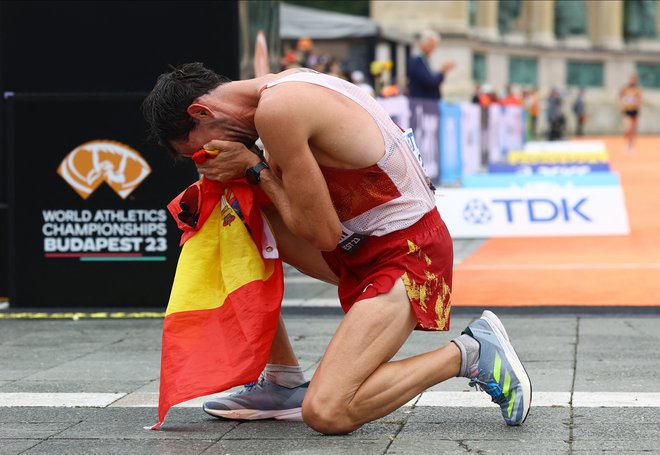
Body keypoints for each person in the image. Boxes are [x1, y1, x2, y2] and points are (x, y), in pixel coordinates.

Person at [142, 63, 532, 434]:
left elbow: (322, 235)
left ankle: (470, 352)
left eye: (200, 148)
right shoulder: (283, 86)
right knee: (232, 210)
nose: (205, 157)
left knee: (328, 411)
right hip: (366, 245)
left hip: (411, 256)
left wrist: (253, 169)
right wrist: (243, 175)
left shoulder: (279, 109)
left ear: (201, 111)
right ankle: (281, 380)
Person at [407, 30, 455, 99]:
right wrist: (443, 71)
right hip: (422, 103)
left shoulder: (426, 61)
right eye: (431, 45)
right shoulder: (417, 62)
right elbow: (430, 82)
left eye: (435, 45)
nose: (434, 48)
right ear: (423, 44)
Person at [619, 74, 643, 154]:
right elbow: (620, 96)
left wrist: (638, 103)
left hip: (634, 110)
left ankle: (630, 145)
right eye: (632, 79)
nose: (633, 81)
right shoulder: (625, 88)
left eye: (634, 79)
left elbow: (640, 99)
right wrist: (622, 105)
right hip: (627, 110)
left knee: (633, 129)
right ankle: (627, 142)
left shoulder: (638, 89)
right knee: (627, 128)